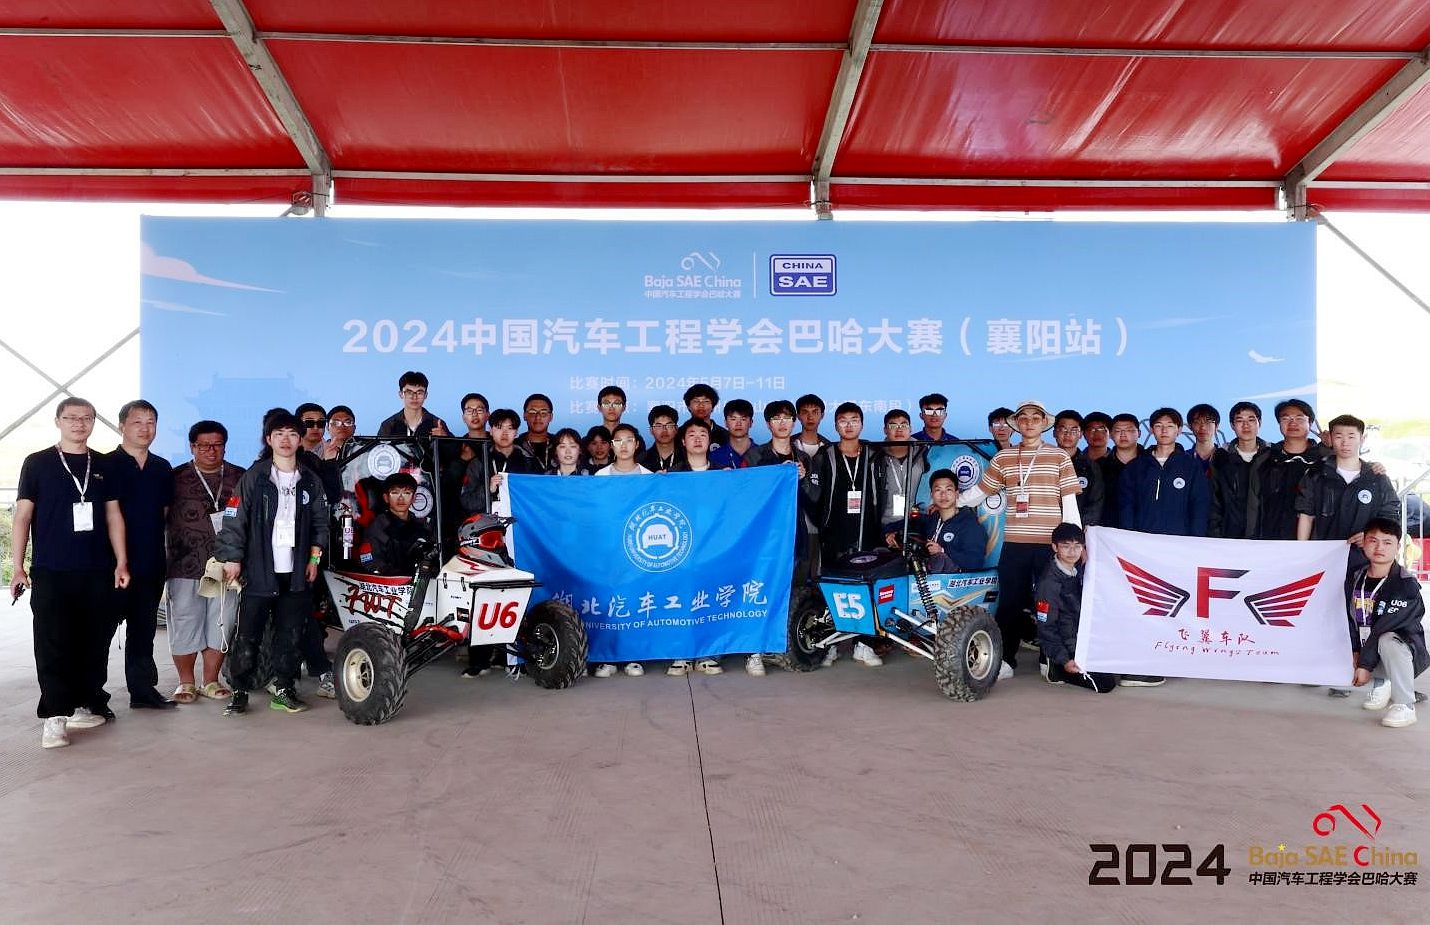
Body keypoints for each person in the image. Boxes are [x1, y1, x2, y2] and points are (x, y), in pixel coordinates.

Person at [12, 397, 130, 748]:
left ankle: (83, 703)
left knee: (93, 641)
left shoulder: (104, 464)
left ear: (94, 421)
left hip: (97, 569)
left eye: (86, 418)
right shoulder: (37, 463)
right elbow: (22, 516)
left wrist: (121, 561)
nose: (79, 423)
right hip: (52, 570)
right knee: (53, 642)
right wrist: (17, 567)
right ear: (58, 421)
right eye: (71, 417)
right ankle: (54, 718)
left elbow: (113, 515)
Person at [214, 411, 329, 716]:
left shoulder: (310, 480)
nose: (286, 440)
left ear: (300, 439)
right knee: (248, 633)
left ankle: (284, 689)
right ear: (268, 439)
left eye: (292, 434)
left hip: (296, 572)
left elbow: (321, 524)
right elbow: (233, 519)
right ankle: (239, 689)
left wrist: (314, 558)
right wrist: (233, 558)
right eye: (279, 434)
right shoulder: (255, 477)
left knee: (290, 633)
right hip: (259, 569)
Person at [956, 400, 1081, 678]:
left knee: (1051, 604)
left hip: (1050, 545)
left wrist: (1074, 542)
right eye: (1023, 418)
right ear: (1017, 424)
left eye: (1036, 418)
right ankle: (1005, 660)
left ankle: (1051, 660)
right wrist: (954, 502)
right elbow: (982, 491)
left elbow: (1069, 501)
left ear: (1043, 423)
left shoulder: (1059, 457)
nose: (1029, 423)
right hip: (1015, 543)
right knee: (1010, 603)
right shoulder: (1004, 458)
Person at [165, 420, 244, 704]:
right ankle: (186, 681)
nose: (211, 451)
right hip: (184, 563)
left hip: (227, 565)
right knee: (185, 621)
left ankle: (211, 680)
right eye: (204, 446)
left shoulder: (240, 477)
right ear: (192, 447)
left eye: (217, 445)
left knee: (222, 621)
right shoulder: (174, 478)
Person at [106, 399, 177, 709]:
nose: (145, 429)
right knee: (101, 632)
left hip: (150, 562)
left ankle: (143, 691)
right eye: (137, 422)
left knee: (143, 630)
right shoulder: (105, 465)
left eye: (151, 423)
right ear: (122, 426)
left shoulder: (161, 467)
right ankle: (92, 697)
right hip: (110, 565)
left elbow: (165, 514)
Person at [810, 402, 885, 668]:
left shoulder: (875, 455)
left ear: (862, 424)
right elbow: (814, 495)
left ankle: (864, 645)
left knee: (868, 588)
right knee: (835, 589)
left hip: (869, 532)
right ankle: (831, 644)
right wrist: (822, 525)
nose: (849, 425)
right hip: (834, 533)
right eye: (843, 420)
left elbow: (884, 492)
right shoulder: (825, 455)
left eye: (854, 420)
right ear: (835, 425)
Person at [747, 399, 814, 677]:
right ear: (768, 424)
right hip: (764, 538)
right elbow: (749, 495)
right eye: (776, 419)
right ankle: (754, 651)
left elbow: (814, 501)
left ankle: (782, 647)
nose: (782, 423)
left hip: (795, 534)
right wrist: (773, 477)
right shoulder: (755, 456)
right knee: (760, 590)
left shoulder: (803, 458)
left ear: (794, 422)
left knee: (791, 592)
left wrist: (804, 479)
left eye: (787, 418)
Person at [1347, 518, 1427, 728]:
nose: (1379, 547)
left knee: (1388, 639)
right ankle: (1382, 683)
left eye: (1387, 542)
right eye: (1373, 541)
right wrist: (1354, 649)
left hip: (1400, 652)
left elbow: (1383, 627)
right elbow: (1348, 617)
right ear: (1363, 542)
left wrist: (1364, 664)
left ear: (1398, 547)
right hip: (1365, 648)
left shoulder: (1406, 585)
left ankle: (1405, 705)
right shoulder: (1355, 577)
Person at [1295, 414, 1398, 573]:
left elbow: (1390, 516)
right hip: (1324, 557)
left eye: (1351, 436)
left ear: (1362, 439)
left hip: (1365, 560)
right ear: (1330, 438)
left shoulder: (1376, 478)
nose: (1345, 442)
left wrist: (1370, 536)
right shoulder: (1316, 474)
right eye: (1339, 436)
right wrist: (1302, 552)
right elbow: (1306, 515)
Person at [592, 423, 649, 679]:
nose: (623, 445)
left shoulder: (649, 478)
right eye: (618, 440)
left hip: (639, 551)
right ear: (611, 445)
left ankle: (634, 657)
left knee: (636, 601)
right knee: (610, 602)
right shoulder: (600, 478)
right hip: (609, 551)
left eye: (629, 440)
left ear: (637, 444)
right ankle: (609, 657)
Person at [1034, 523, 1118, 693]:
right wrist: (1064, 659)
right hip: (1067, 646)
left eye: (1077, 546)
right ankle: (1055, 668)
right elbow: (1046, 627)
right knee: (1105, 684)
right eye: (1066, 546)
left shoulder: (1079, 570)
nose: (1072, 552)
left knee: (1118, 665)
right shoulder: (1049, 584)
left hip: (1083, 638)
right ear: (1055, 547)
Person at [1118, 407, 1210, 537]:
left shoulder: (1191, 467)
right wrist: (1128, 537)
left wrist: (1195, 540)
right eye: (1158, 426)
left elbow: (1199, 506)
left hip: (1179, 540)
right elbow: (1126, 507)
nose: (1164, 430)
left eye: (1170, 426)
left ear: (1179, 430)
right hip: (1141, 541)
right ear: (1151, 430)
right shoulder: (1135, 467)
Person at [1247, 399, 1326, 540]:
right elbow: (1253, 505)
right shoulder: (1263, 459)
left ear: (1310, 423)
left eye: (1299, 418)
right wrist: (1251, 539)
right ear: (1279, 423)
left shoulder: (1325, 460)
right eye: (1286, 418)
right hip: (1270, 541)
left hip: (1315, 544)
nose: (1292, 423)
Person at [460, 409, 540, 514]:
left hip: (520, 518)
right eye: (499, 427)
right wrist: (488, 489)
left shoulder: (529, 462)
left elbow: (538, 498)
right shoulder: (479, 462)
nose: (504, 433)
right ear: (491, 431)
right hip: (487, 521)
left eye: (510, 428)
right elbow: (467, 502)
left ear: (516, 433)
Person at [1208, 401, 1266, 539]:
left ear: (1259, 423)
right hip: (1229, 538)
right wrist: (1216, 536)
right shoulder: (1221, 458)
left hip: (1265, 538)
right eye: (1239, 420)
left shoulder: (1271, 457)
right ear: (1232, 426)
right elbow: (1214, 502)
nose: (1245, 425)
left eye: (1251, 420)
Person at [359, 473, 433, 575]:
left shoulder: (422, 527)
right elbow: (371, 563)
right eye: (395, 493)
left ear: (413, 498)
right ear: (386, 498)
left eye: (407, 493)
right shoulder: (377, 528)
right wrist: (398, 574)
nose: (401, 498)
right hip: (387, 581)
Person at [916, 469, 985, 573]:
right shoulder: (933, 519)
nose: (943, 495)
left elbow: (975, 562)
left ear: (957, 494)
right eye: (938, 490)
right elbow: (910, 523)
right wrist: (892, 532)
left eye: (948, 490)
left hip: (957, 580)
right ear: (931, 494)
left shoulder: (969, 525)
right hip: (928, 577)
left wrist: (942, 550)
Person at [877, 409, 927, 546]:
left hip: (918, 523)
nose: (899, 429)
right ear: (885, 430)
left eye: (904, 425)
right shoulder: (876, 455)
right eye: (893, 425)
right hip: (885, 525)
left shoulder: (923, 452)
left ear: (910, 429)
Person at [1053, 409, 1104, 527]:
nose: (1068, 434)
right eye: (1063, 429)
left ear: (1081, 434)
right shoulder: (1044, 462)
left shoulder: (1091, 467)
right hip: (1045, 527)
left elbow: (1095, 504)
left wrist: (1078, 530)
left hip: (1078, 532)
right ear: (1054, 433)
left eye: (1074, 430)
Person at [1096, 413, 1142, 530]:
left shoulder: (1151, 464)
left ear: (1139, 433)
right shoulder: (1099, 466)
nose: (1123, 434)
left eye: (1129, 430)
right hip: (1108, 531)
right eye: (1118, 431)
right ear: (1111, 435)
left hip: (1144, 531)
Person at [377, 371, 450, 438]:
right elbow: (379, 447)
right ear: (401, 394)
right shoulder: (388, 425)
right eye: (409, 392)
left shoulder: (437, 424)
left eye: (419, 393)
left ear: (425, 395)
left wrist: (445, 438)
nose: (414, 397)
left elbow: (454, 447)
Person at [709, 399, 755, 469]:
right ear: (726, 423)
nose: (738, 424)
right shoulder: (714, 457)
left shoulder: (763, 455)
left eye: (743, 419)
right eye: (733, 419)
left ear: (751, 423)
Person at [518, 393, 556, 470]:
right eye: (532, 412)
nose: (538, 417)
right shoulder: (515, 446)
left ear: (551, 417)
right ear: (524, 416)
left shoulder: (558, 445)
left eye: (543, 413)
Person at [640, 404, 682, 473]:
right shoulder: (641, 460)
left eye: (669, 425)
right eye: (659, 426)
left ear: (676, 429)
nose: (664, 430)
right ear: (651, 430)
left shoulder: (687, 457)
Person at [1186, 403, 1224, 470]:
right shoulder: (1183, 458)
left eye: (1208, 422)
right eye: (1197, 422)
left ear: (1216, 426)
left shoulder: (1227, 458)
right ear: (1190, 427)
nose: (1203, 427)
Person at [794, 393, 830, 458]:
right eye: (805, 412)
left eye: (815, 412)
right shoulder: (788, 444)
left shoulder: (830, 448)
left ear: (822, 415)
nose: (810, 417)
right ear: (798, 416)